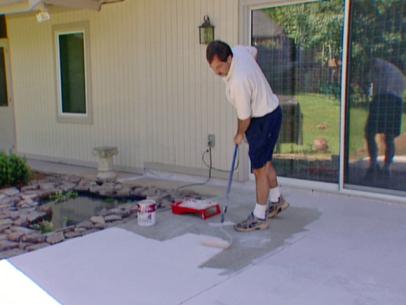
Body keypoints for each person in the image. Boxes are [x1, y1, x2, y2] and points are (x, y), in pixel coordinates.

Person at [206, 40, 289, 232]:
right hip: (270, 112)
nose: (217, 72)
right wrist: (257, 82)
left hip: (262, 119)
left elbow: (245, 118)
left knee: (259, 169)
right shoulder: (239, 51)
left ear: (229, 58)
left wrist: (239, 134)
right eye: (213, 68)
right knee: (264, 161)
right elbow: (255, 51)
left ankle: (260, 216)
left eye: (220, 66)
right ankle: (277, 200)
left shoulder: (238, 82)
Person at [365, 58, 405, 177]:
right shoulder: (401, 76)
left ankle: (374, 164)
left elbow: (374, 63)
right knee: (389, 137)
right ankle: (386, 167)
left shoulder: (381, 64)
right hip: (395, 102)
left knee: (370, 132)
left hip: (382, 99)